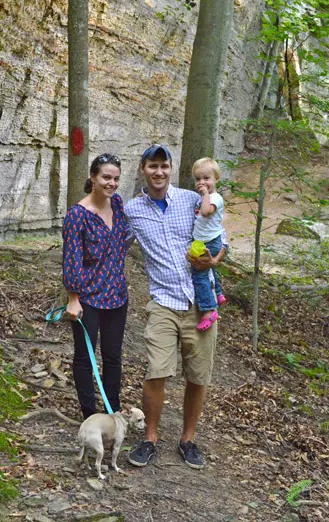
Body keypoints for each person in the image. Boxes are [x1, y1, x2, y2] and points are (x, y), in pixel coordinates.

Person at [124, 144, 226, 469]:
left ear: (170, 169)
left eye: (164, 166)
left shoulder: (191, 200)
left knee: (198, 376)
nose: (159, 172)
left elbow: (220, 236)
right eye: (152, 166)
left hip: (200, 302)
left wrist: (214, 259)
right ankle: (150, 439)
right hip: (163, 303)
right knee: (157, 372)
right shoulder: (132, 211)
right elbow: (114, 248)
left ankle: (188, 439)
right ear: (143, 169)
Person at [62, 153, 128, 419]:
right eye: (106, 177)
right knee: (84, 358)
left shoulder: (118, 204)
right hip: (88, 299)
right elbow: (72, 259)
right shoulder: (78, 215)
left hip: (117, 296)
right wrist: (73, 298)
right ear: (93, 177)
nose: (111, 183)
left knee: (113, 357)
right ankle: (89, 415)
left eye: (115, 178)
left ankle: (113, 412)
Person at [191, 157, 227, 332]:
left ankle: (209, 310)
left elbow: (206, 213)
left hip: (210, 242)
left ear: (216, 179)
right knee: (209, 269)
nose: (202, 182)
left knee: (199, 274)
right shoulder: (205, 197)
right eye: (198, 179)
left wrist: (205, 194)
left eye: (206, 178)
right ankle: (218, 293)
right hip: (204, 240)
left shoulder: (215, 197)